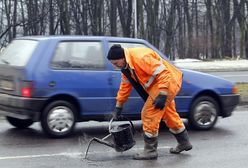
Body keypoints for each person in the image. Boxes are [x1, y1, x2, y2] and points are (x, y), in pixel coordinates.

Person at [107, 44, 192, 160]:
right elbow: (125, 87)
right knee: (169, 114)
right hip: (160, 86)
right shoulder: (127, 68)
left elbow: (164, 73)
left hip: (167, 84)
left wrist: (162, 93)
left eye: (116, 63)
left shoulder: (141, 57)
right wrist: (119, 106)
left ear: (122, 57)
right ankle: (184, 142)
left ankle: (150, 150)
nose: (115, 66)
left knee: (148, 113)